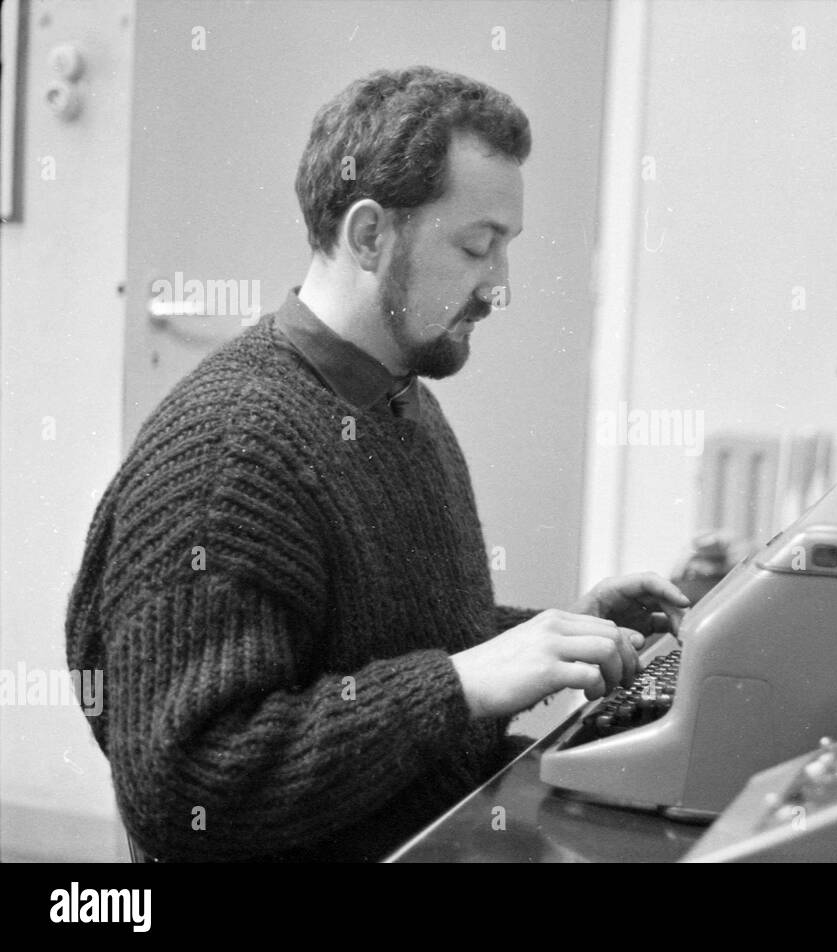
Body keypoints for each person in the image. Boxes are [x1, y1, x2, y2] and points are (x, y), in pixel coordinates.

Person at [65, 66, 689, 862]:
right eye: (477, 247)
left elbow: (372, 651)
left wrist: (556, 637)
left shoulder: (399, 399)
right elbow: (184, 787)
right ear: (369, 236)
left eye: (506, 249)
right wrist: (462, 684)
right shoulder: (228, 452)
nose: (500, 286)